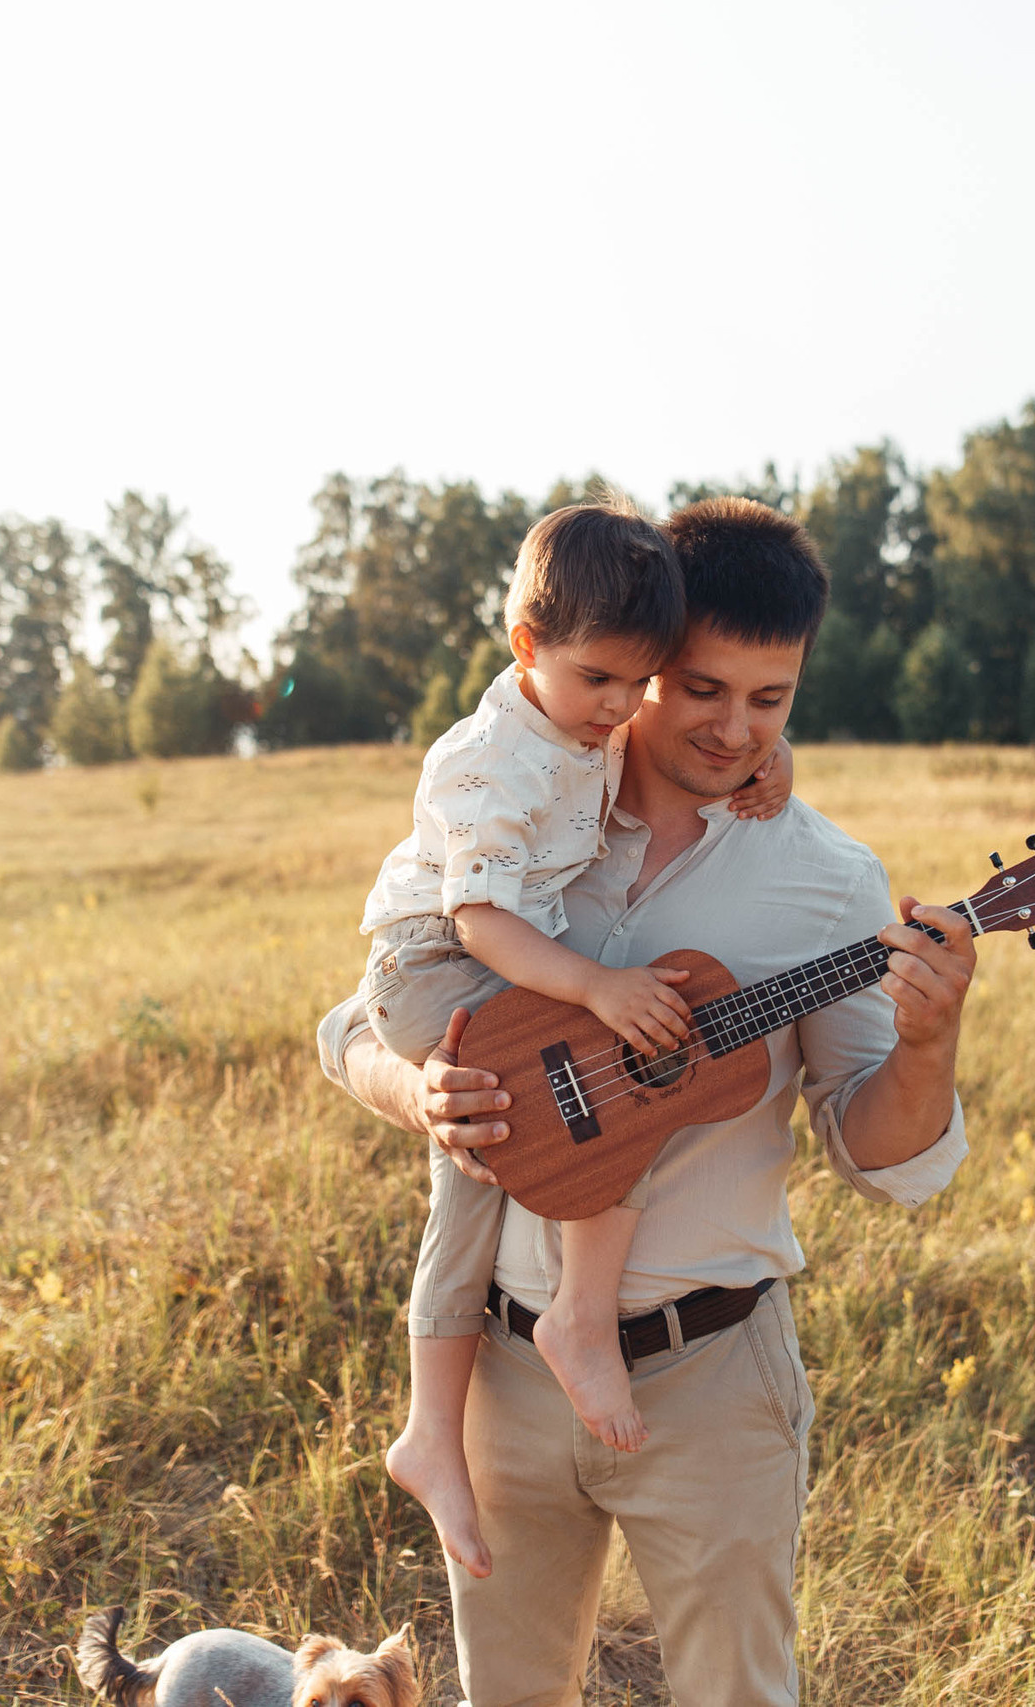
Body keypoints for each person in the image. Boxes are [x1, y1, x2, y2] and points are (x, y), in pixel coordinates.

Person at [318, 496, 975, 1707]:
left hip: (709, 1377)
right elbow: (349, 1024)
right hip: (503, 1371)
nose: (733, 730)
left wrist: (928, 1045)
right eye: (702, 689)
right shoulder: (529, 797)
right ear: (641, 664)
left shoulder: (827, 883)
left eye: (769, 702)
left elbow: (883, 1158)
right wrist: (422, 1096)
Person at [363, 498, 792, 1588]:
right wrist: (596, 989)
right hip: (435, 964)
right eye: (601, 680)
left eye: (638, 684)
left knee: (490, 1171)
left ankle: (434, 1428)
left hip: (501, 962)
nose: (620, 708)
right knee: (605, 1099)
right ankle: (576, 1326)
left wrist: (769, 764)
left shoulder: (581, 722)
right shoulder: (484, 765)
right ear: (526, 648)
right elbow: (479, 921)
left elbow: (710, 744)